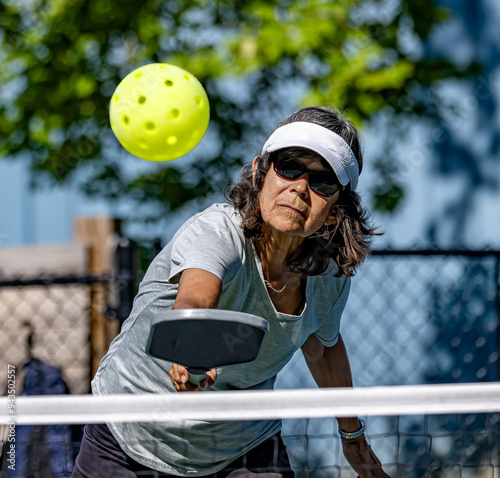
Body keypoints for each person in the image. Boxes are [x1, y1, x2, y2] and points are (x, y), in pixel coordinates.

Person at [73, 106, 390, 478]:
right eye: (288, 166)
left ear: (336, 210)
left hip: (242, 444)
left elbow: (321, 347)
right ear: (260, 171)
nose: (300, 188)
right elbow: (194, 301)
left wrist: (352, 436)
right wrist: (191, 349)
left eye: (322, 182)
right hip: (129, 435)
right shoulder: (216, 233)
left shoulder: (330, 276)